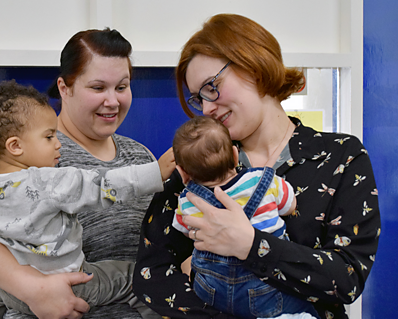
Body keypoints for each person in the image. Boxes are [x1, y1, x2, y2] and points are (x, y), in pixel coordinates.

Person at [133, 13, 380, 319]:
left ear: (253, 65)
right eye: (199, 98)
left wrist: (251, 244)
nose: (207, 107)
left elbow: (347, 278)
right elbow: (151, 272)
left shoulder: (341, 156)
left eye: (212, 87)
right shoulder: (199, 161)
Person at [0, 28, 173, 319]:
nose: (113, 101)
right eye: (97, 88)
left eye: (121, 87)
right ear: (65, 88)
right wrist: (30, 287)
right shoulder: (33, 153)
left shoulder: (139, 156)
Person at [171, 116, 318, 318]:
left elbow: (186, 229)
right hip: (263, 286)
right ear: (234, 155)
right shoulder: (264, 181)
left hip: (212, 290)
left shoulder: (187, 201)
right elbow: (290, 206)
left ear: (183, 173)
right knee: (305, 310)